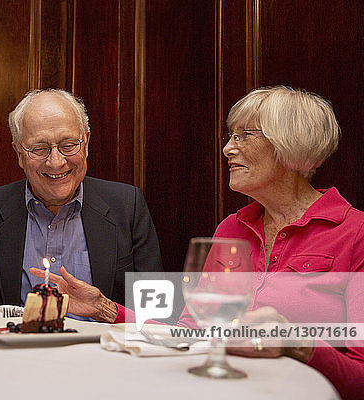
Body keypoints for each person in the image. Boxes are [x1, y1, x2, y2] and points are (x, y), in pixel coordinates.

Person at [30, 86, 364, 399]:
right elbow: (191, 336)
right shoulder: (232, 229)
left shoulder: (355, 233)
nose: (228, 148)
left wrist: (299, 343)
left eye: (245, 136)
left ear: (291, 144)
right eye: (230, 136)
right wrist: (103, 308)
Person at [0, 89, 163, 318]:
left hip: (102, 351)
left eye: (68, 145)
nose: (56, 162)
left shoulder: (127, 206)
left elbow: (156, 312)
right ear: (19, 152)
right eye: (39, 149)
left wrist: (105, 309)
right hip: (15, 351)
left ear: (85, 142)